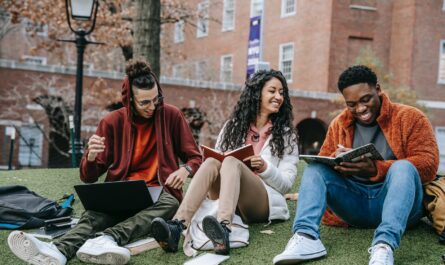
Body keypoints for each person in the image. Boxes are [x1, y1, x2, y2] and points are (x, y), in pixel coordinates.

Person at [7, 59, 202, 265]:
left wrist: (185, 170)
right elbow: (89, 177)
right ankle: (57, 250)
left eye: (156, 99)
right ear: (130, 101)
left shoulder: (171, 115)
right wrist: (90, 157)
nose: (153, 106)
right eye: (145, 102)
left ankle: (107, 239)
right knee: (93, 216)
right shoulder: (111, 122)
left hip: (158, 195)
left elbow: (195, 157)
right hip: (122, 192)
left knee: (171, 203)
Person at [273, 65, 439, 265]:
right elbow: (325, 162)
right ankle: (306, 237)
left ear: (377, 89)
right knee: (315, 168)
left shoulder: (410, 117)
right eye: (351, 104)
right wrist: (337, 160)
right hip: (354, 206)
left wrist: (377, 169)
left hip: (400, 206)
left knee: (403, 167)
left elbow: (429, 164)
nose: (360, 109)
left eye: (365, 99)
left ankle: (384, 246)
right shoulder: (339, 123)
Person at [151, 69, 299, 255]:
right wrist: (223, 157)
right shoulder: (232, 127)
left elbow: (286, 185)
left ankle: (224, 229)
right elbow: (217, 162)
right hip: (226, 196)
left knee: (231, 162)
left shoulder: (286, 135)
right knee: (213, 161)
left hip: (261, 202)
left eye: (281, 92)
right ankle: (176, 226)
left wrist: (264, 167)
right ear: (257, 93)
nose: (278, 96)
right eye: (272, 91)